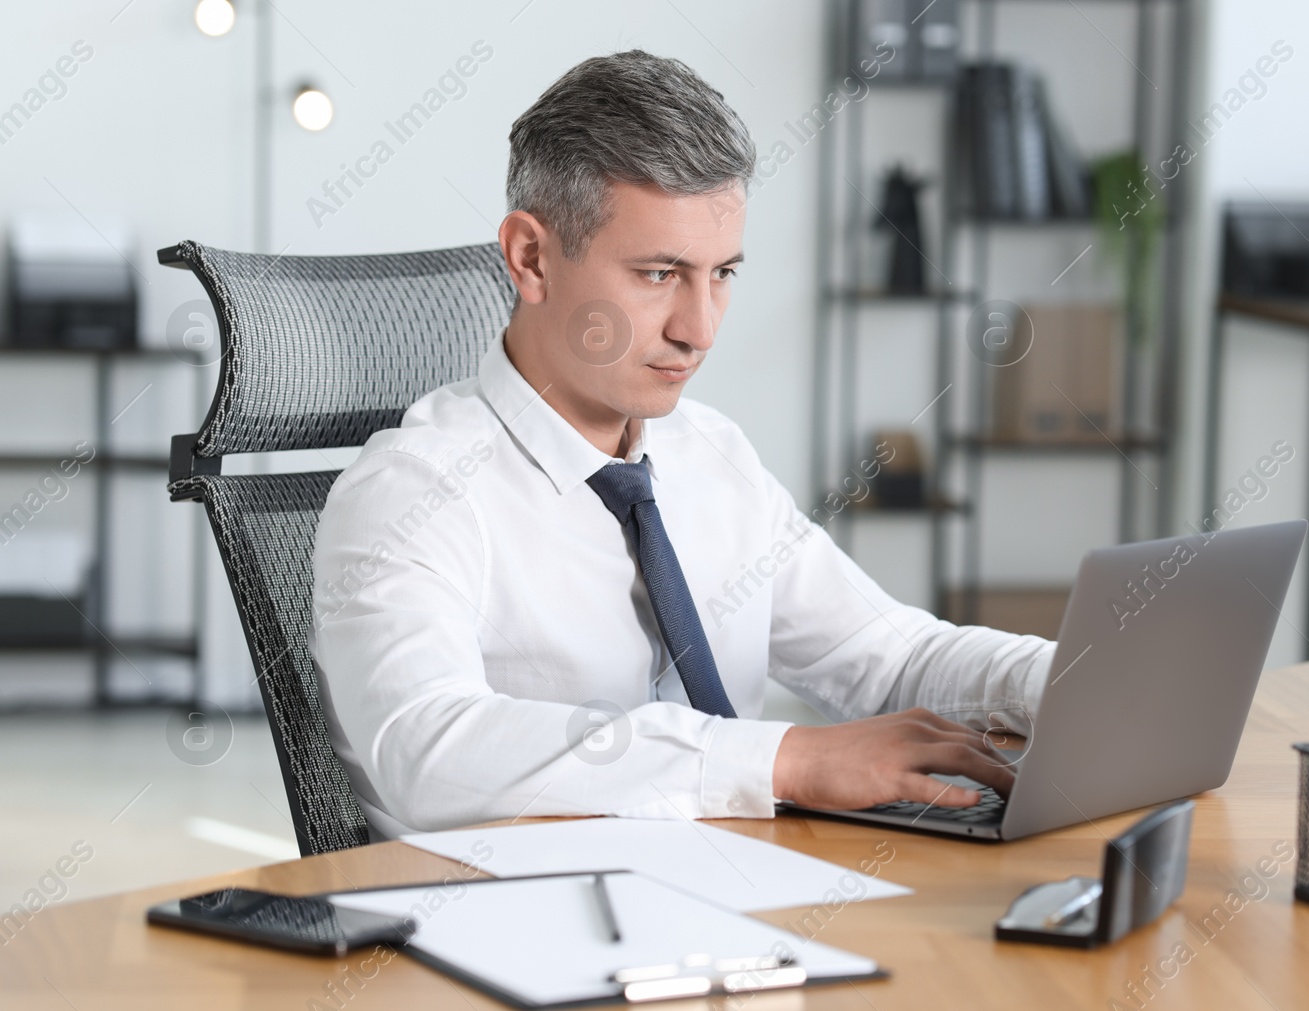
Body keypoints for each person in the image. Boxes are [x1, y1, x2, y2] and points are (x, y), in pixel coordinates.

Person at [310, 50, 1055, 838]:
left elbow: (894, 661)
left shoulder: (711, 454)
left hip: (735, 901)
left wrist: (1075, 684)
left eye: (722, 273)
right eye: (660, 274)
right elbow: (428, 747)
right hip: (514, 929)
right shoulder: (411, 489)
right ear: (531, 258)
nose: (698, 330)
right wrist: (783, 761)